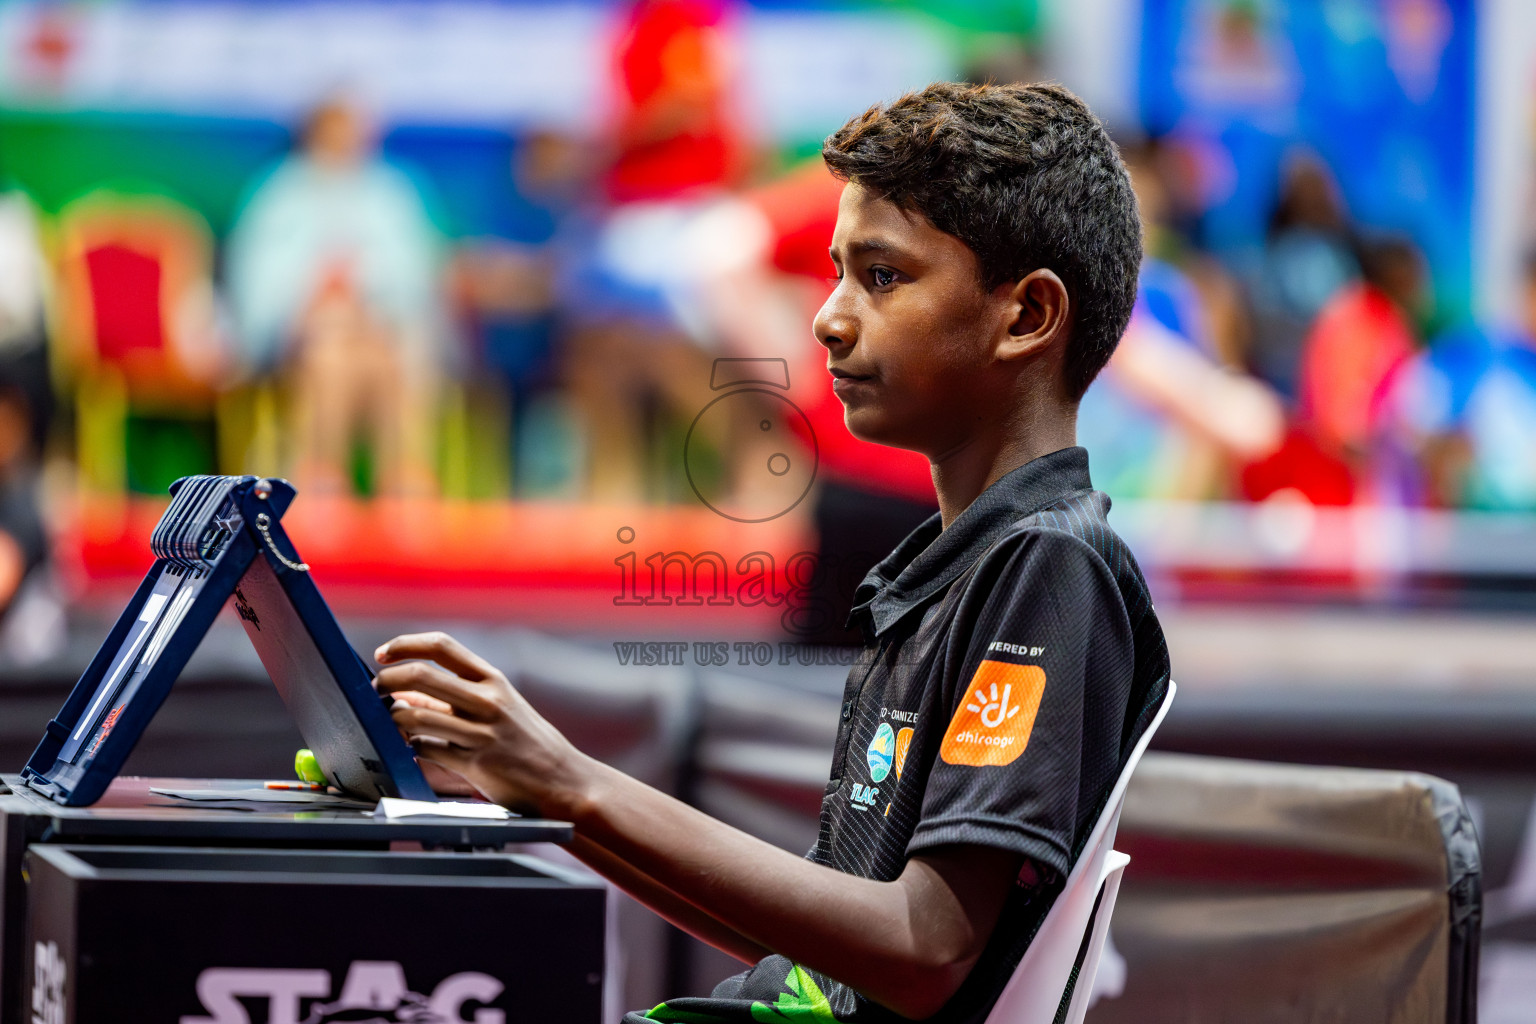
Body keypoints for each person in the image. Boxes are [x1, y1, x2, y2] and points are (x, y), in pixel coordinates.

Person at [374, 83, 1171, 1024]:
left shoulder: (1049, 567)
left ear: (1028, 316)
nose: (829, 318)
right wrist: (530, 796)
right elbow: (834, 950)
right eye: (835, 273)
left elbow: (923, 948)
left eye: (881, 277)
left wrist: (568, 781)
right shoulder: (949, 564)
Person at [224, 98, 446, 497]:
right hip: (308, 332)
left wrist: (366, 294)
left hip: (378, 330)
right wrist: (318, 293)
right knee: (331, 351)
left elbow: (417, 278)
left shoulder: (391, 192)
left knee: (399, 350)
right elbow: (258, 277)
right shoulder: (280, 193)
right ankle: (321, 477)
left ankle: (402, 480)